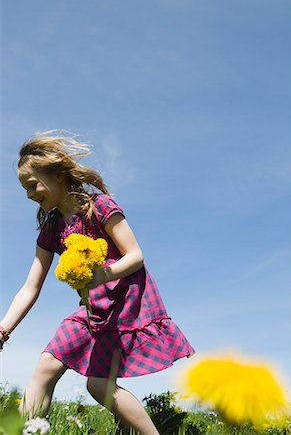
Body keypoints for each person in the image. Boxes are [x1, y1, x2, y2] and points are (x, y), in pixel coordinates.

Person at [0, 133, 195, 435]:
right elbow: (31, 286)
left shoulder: (99, 206)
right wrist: (3, 330)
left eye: (33, 184)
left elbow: (136, 256)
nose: (28, 194)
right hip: (91, 310)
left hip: (124, 303)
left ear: (58, 176)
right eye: (24, 188)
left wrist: (104, 274)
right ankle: (22, 431)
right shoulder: (51, 227)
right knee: (46, 365)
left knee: (98, 384)